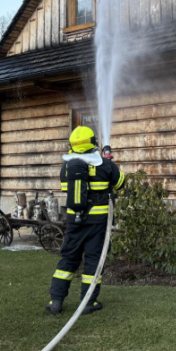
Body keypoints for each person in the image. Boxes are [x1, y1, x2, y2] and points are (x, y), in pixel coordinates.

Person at [45, 126, 124, 315]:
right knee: (93, 260)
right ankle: (88, 302)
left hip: (75, 220)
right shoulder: (105, 164)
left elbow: (66, 188)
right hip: (98, 222)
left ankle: (55, 301)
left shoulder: (67, 167)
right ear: (93, 143)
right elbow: (121, 183)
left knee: (68, 258)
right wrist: (110, 164)